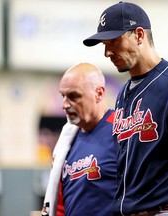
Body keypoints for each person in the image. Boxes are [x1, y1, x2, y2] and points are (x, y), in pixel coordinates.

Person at [83, 2, 168, 216]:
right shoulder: (123, 94)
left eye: (114, 41)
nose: (107, 52)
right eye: (104, 45)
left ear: (139, 35)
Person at [41, 63, 117, 216]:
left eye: (73, 96)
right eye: (63, 96)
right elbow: (60, 204)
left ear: (99, 93)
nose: (65, 105)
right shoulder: (66, 141)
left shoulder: (122, 129)